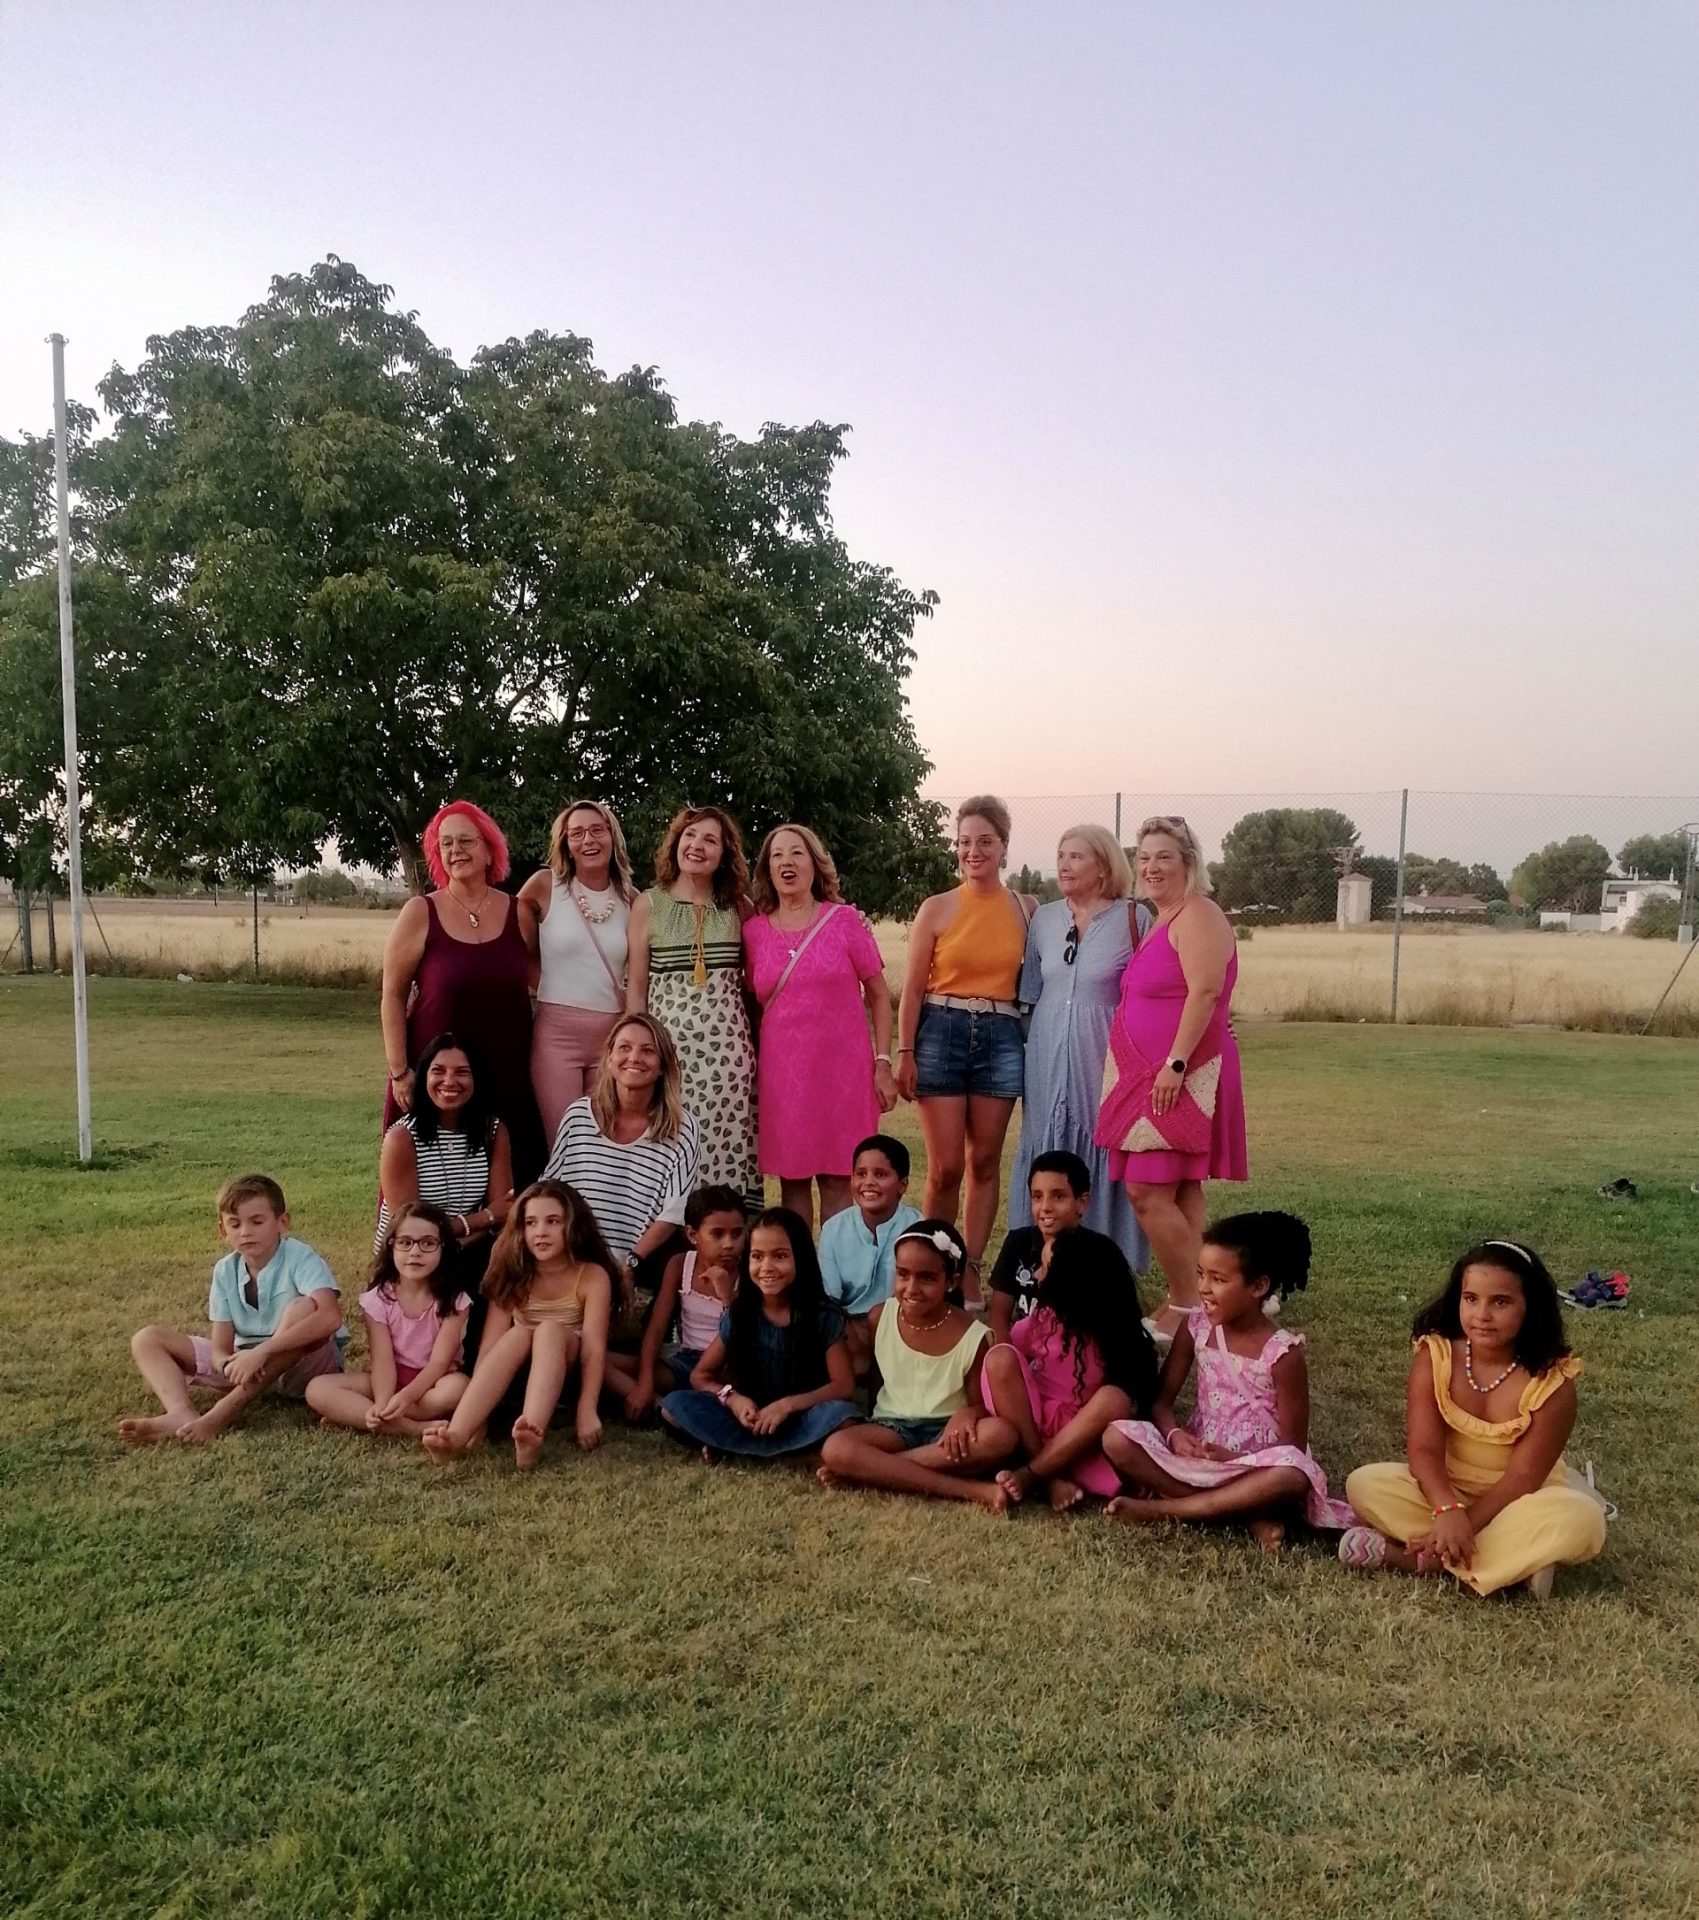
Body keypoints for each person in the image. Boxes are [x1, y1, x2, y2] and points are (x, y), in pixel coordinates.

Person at [1340, 1240, 1608, 1597]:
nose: (1482, 1314)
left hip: (1520, 1500)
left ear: (1530, 1306)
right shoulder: (1436, 1355)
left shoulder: (1553, 1382)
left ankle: (1423, 1560)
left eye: (1500, 1302)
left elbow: (1522, 1478)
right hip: (1444, 1491)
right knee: (1365, 1484)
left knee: (1582, 1518)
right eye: (1471, 1299)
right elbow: (1424, 1450)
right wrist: (1447, 1508)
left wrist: (1462, 1522)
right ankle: (1511, 1564)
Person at [1103, 1212, 1354, 1549]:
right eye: (1200, 1274)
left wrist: (1232, 1459)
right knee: (1116, 1438)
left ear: (1258, 1287)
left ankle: (1165, 1509)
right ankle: (1245, 1514)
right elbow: (1160, 1403)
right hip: (1196, 1458)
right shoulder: (1196, 1328)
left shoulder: (1283, 1353)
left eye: (1218, 1279)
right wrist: (1175, 1435)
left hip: (1252, 1470)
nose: (1203, 1288)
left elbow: (1292, 1448)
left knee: (1293, 1474)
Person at [1096, 815, 1247, 1336]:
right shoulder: (1163, 918)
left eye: (1164, 856)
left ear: (1188, 862)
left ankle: (1190, 1303)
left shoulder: (1199, 913)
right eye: (1143, 858)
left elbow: (1205, 992)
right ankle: (1203, 1298)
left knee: (1146, 1189)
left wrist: (1175, 1064)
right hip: (1149, 1075)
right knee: (1180, 1189)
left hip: (1180, 1073)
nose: (1151, 867)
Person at [896, 795, 1037, 1306]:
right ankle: (932, 1262)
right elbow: (912, 989)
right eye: (964, 842)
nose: (973, 851)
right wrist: (904, 1051)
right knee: (946, 1166)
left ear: (1004, 846)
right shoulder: (937, 907)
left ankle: (971, 1266)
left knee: (985, 1162)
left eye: (985, 841)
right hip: (941, 1030)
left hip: (1001, 1035)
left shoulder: (1026, 908)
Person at [380, 800, 545, 1185]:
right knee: (430, 1183)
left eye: (466, 841)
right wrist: (400, 1071)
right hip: (438, 1077)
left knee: (511, 1184)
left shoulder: (520, 913)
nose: (456, 850)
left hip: (506, 1074)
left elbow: (540, 982)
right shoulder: (420, 912)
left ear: (490, 849)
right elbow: (392, 995)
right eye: (446, 843)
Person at [1010, 825, 1150, 1275]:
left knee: (1101, 1141)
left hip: (1105, 1052)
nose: (1064, 865)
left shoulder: (1135, 919)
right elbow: (1030, 994)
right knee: (1044, 1142)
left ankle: (1106, 1266)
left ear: (1104, 865)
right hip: (1047, 1051)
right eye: (1061, 855)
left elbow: (1155, 991)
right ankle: (1037, 1264)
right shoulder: (1044, 920)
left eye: (1076, 856)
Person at [119, 1174, 344, 1445]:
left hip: (303, 1369)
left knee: (304, 1308)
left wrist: (262, 1352)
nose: (245, 1232)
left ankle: (222, 1413)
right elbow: (220, 1348)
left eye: (257, 1222)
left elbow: (330, 1317)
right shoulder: (225, 1270)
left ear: (282, 1222)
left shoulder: (300, 1257)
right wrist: (227, 1364)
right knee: (147, 1338)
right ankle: (179, 1412)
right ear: (222, 1230)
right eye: (235, 1224)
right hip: (245, 1366)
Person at [745, 823, 896, 1222]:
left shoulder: (844, 920)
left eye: (797, 853)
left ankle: (834, 1263)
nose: (787, 862)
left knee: (838, 1180)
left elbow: (879, 994)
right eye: (777, 855)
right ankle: (800, 1262)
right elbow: (752, 1004)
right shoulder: (753, 932)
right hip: (784, 1079)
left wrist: (883, 1062)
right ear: (767, 869)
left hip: (844, 1075)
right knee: (792, 1183)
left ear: (815, 864)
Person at [817, 1221, 1021, 1510]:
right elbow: (878, 1382)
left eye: (926, 1278)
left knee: (1001, 1434)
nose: (911, 1288)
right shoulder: (880, 1317)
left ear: (951, 1282)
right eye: (903, 1274)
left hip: (946, 1436)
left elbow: (981, 1404)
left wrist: (966, 1414)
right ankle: (971, 1490)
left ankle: (874, 1471)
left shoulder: (973, 1335)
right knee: (836, 1447)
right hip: (892, 1428)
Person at [422, 1181, 614, 1469]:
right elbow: (491, 1346)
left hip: (568, 1373)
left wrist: (587, 1410)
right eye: (530, 1223)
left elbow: (594, 1349)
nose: (540, 1232)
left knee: (548, 1330)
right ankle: (457, 1435)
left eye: (553, 1221)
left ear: (573, 1225)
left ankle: (531, 1431)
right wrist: (480, 1415)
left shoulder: (592, 1276)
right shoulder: (513, 1269)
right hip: (519, 1375)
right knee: (518, 1334)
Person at [627, 805, 759, 1207]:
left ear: (724, 853)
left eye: (710, 840)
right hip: (668, 1057)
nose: (697, 845)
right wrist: (636, 1049)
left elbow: (754, 986)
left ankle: (726, 1238)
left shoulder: (740, 908)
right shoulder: (649, 905)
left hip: (728, 1060)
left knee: (724, 1154)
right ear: (676, 843)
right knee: (668, 1149)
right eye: (689, 835)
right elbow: (637, 987)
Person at [980, 1227, 1160, 1511]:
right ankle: (1045, 1475)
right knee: (1000, 1357)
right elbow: (1010, 1362)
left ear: (1072, 1282)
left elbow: (1136, 1402)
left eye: (1045, 1267)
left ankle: (1035, 1472)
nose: (1036, 1274)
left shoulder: (1118, 1337)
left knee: (1114, 1398)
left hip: (1078, 1438)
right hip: (1031, 1429)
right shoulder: (1041, 1321)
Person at [659, 1208, 858, 1460]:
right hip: (749, 1419)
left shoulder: (822, 1316)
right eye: (757, 1256)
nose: (767, 1267)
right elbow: (701, 1375)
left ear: (801, 1258)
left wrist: (788, 1405)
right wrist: (733, 1399)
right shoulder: (741, 1314)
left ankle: (736, 1449)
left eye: (780, 1256)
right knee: (673, 1406)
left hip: (803, 1416)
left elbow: (843, 1386)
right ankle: (788, 1453)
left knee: (843, 1417)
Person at [542, 1012, 702, 1322]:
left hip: (641, 1261)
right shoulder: (578, 1116)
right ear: (610, 1057)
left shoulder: (682, 1128)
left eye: (648, 1050)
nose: (634, 1058)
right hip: (575, 1255)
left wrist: (630, 1263)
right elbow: (552, 1188)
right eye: (624, 1048)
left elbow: (675, 1210)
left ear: (662, 1065)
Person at [520, 799, 636, 1146]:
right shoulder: (545, 886)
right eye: (577, 833)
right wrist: (538, 981)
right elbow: (513, 945)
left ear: (612, 837)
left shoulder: (632, 898)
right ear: (566, 844)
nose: (589, 840)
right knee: (564, 1140)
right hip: (557, 1036)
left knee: (606, 1141)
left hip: (611, 1037)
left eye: (597, 830)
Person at [307, 1203, 472, 1436]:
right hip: (386, 1379)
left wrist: (406, 1397)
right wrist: (384, 1401)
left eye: (428, 1243)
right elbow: (382, 1360)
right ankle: (412, 1427)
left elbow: (439, 1363)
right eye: (405, 1242)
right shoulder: (377, 1299)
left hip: (432, 1383)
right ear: (391, 1247)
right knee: (317, 1388)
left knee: (459, 1387)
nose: (415, 1252)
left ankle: (357, 1414)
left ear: (443, 1248)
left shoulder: (455, 1301)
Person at [375, 1032, 513, 1283]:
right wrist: (482, 1218)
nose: (449, 1081)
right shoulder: (402, 1138)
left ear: (476, 1078)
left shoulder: (493, 1131)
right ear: (424, 1077)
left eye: (462, 1072)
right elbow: (410, 1229)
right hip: (409, 1263)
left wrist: (462, 1232)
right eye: (438, 1071)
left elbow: (502, 1215)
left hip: (470, 1255)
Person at [607, 1184, 747, 1420]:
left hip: (728, 1369)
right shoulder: (681, 1264)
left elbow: (746, 1338)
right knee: (596, 1360)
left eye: (737, 1234)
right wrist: (645, 1382)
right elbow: (656, 1328)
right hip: (686, 1362)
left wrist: (726, 1297)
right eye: (717, 1234)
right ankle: (656, 1403)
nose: (728, 1244)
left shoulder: (750, 1272)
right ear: (692, 1235)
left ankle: (674, 1409)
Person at [988, 1150, 1143, 1345]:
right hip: (1025, 1351)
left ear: (1082, 1203)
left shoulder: (1101, 1253)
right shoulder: (1018, 1243)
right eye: (1037, 1197)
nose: (1045, 1207)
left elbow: (1118, 1328)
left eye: (1058, 1197)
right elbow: (998, 1317)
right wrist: (1004, 1352)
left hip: (1078, 1355)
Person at [817, 1134, 922, 1379]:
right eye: (861, 1174)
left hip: (901, 1323)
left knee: (880, 1316)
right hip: (849, 1328)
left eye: (881, 1174)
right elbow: (828, 1299)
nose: (869, 1182)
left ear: (903, 1184)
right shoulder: (834, 1229)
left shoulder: (918, 1228)